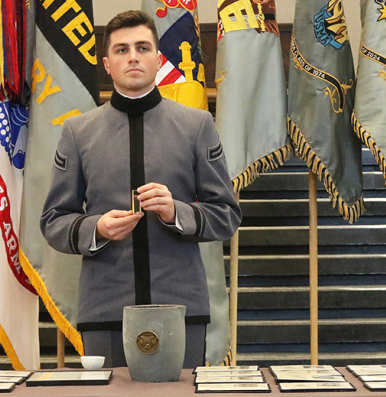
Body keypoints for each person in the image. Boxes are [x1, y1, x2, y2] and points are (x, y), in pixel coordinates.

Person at [40, 10, 241, 368]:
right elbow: (54, 220)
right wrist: (96, 228)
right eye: (121, 50)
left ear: (157, 58)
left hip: (182, 308)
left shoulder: (197, 125)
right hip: (105, 309)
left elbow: (226, 214)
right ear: (107, 64)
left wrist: (177, 212)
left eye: (142, 47)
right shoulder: (77, 132)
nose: (132, 56)